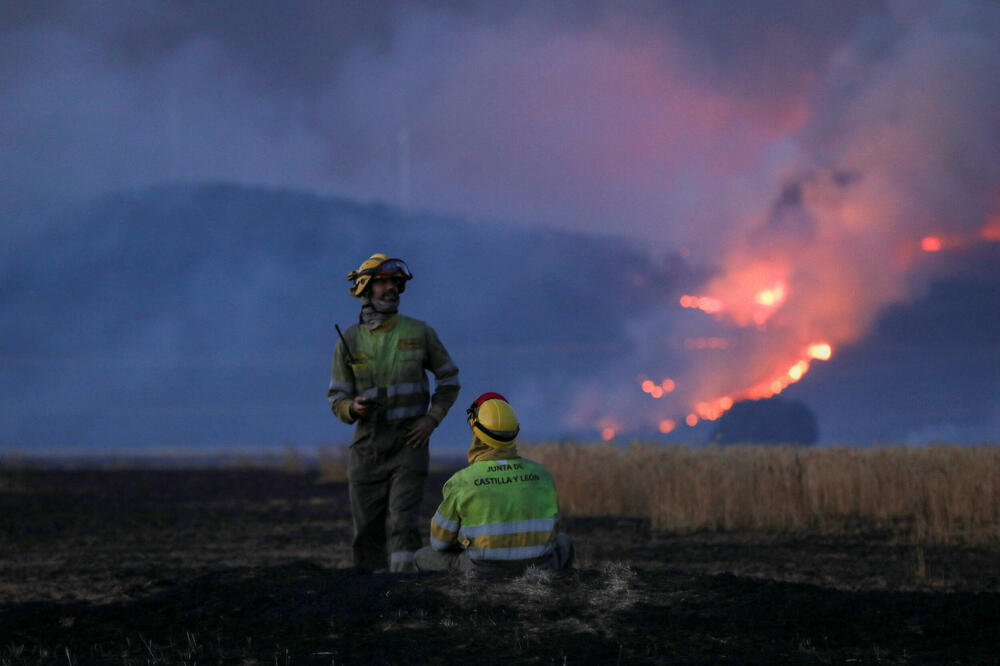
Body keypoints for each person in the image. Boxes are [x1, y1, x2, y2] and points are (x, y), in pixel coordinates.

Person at [328, 253, 460, 573]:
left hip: (409, 445)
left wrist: (431, 420)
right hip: (367, 446)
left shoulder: (419, 332)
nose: (391, 289)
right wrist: (352, 408)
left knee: (403, 525)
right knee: (367, 530)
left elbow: (450, 380)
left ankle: (403, 599)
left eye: (395, 283)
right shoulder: (349, 339)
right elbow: (337, 397)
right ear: (366, 289)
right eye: (383, 283)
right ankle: (369, 600)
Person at [414, 393, 573, 573]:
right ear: (515, 431)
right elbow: (554, 529)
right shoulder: (542, 475)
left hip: (483, 569)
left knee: (422, 556)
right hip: (540, 566)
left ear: (476, 433)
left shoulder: (461, 481)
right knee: (564, 542)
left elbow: (438, 542)